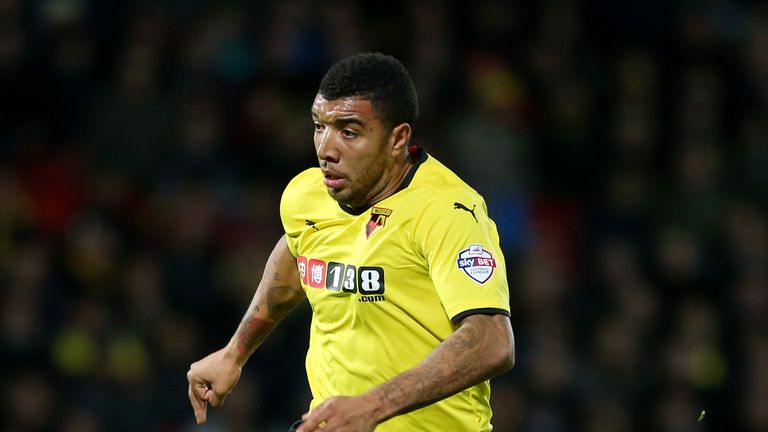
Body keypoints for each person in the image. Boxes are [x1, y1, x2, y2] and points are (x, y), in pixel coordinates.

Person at [187, 52, 515, 431]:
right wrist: (235, 352)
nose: (326, 149)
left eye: (349, 131)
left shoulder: (447, 211)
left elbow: (492, 340)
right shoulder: (308, 195)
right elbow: (298, 253)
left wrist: (373, 407)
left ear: (398, 138)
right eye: (318, 126)